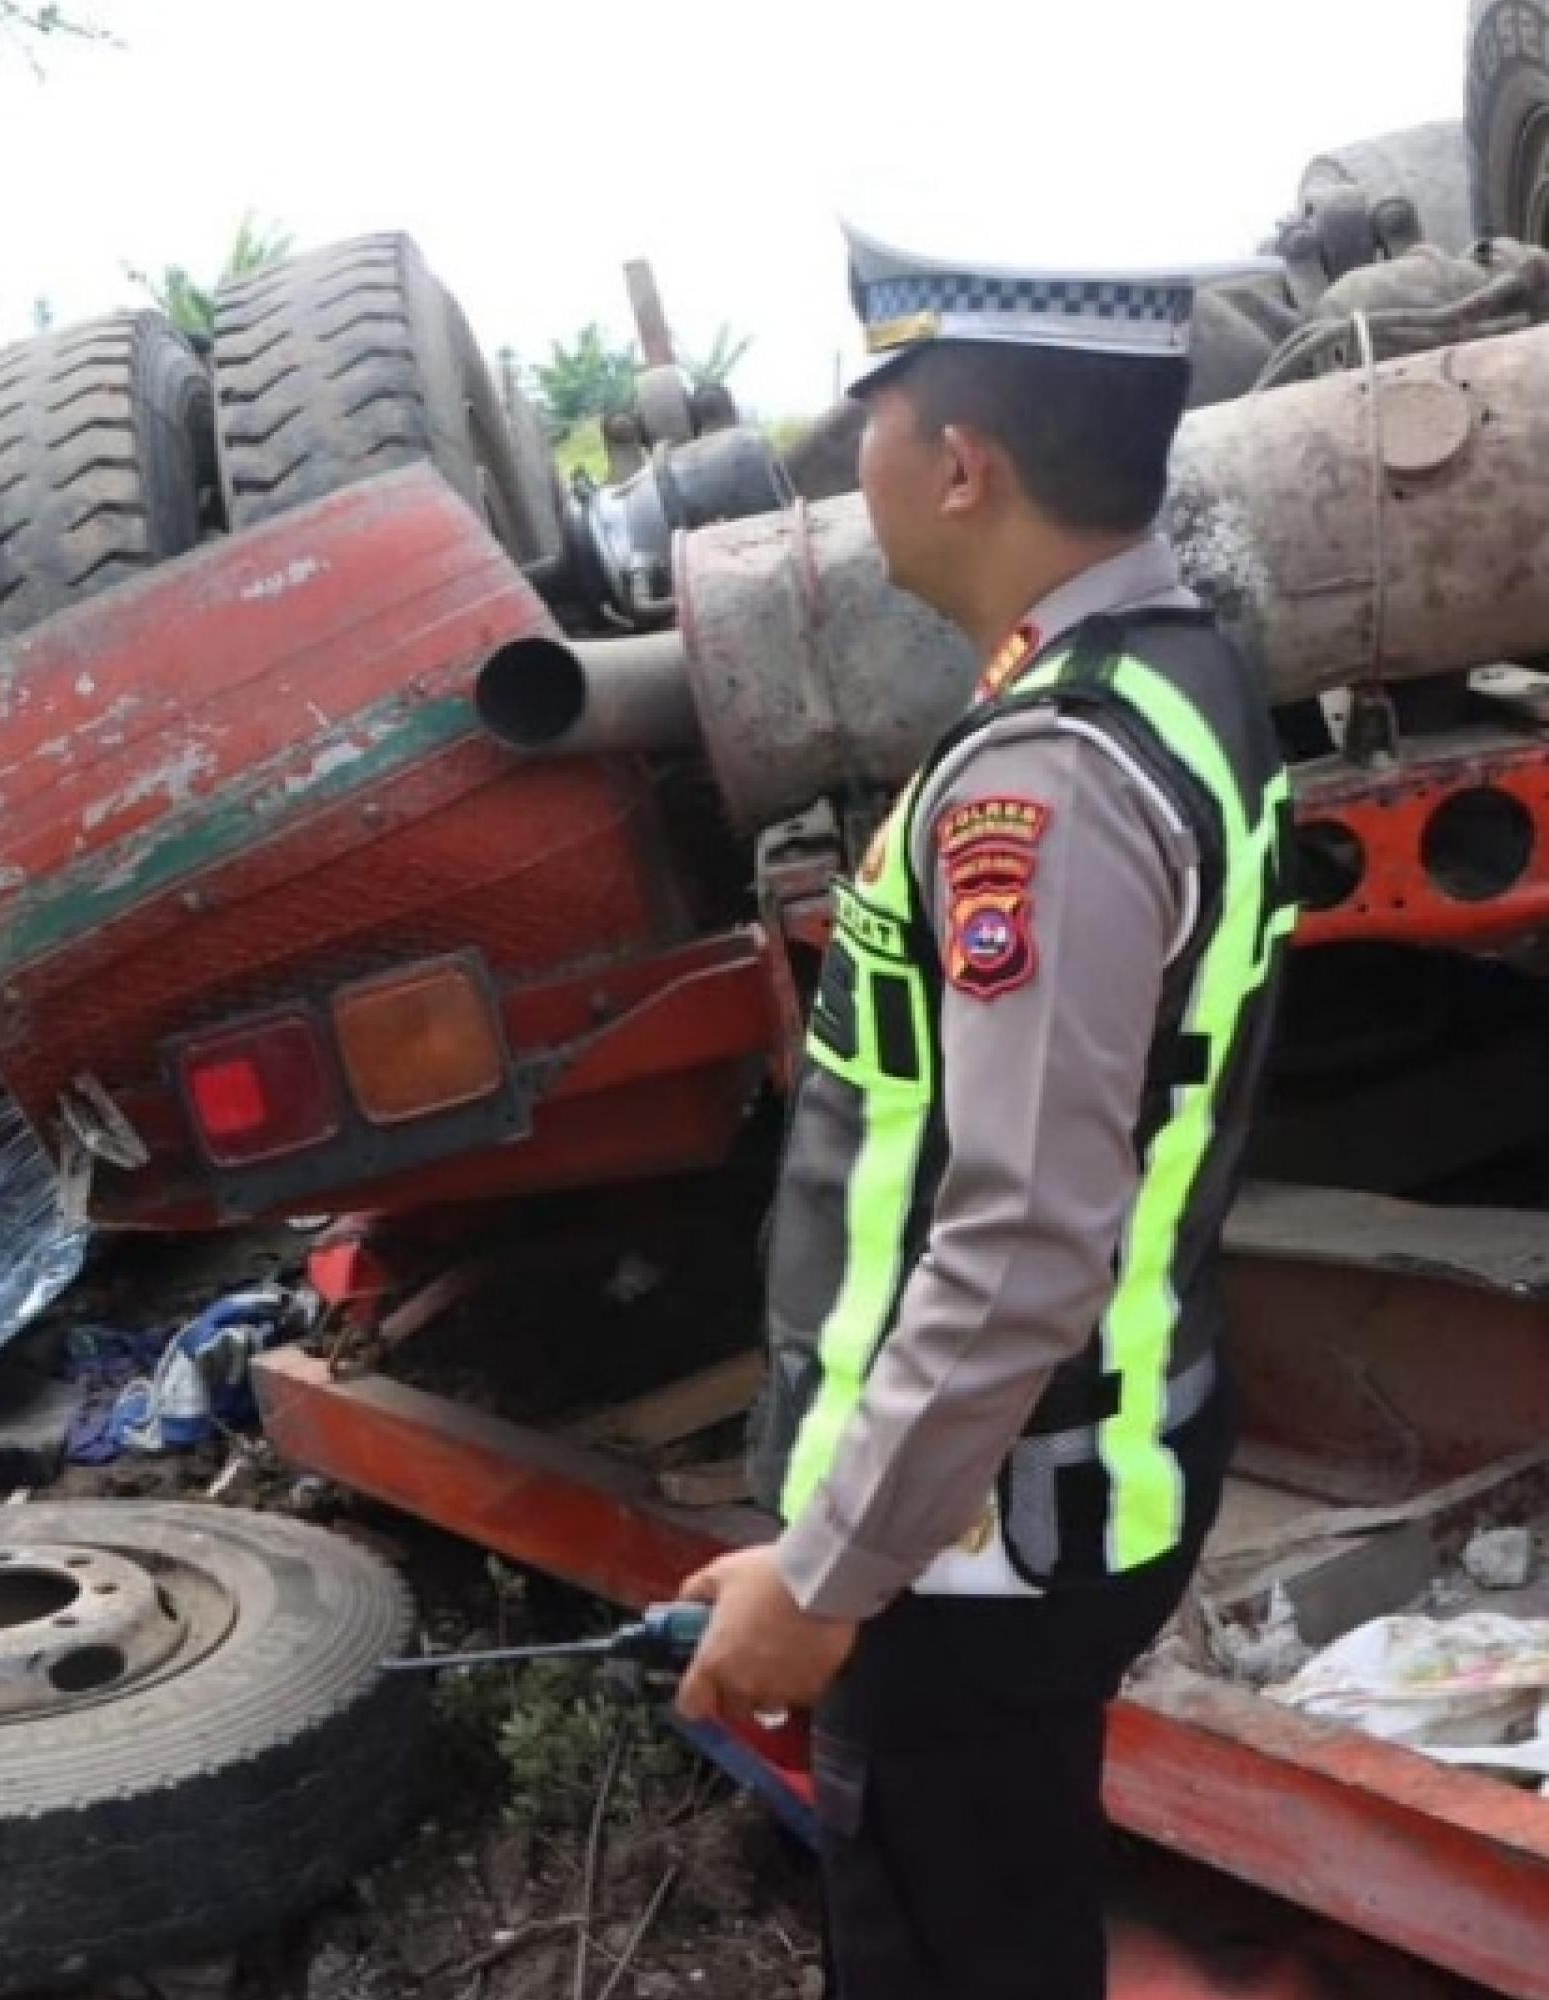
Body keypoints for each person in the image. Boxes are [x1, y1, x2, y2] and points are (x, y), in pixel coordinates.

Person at [677, 227, 1296, 2000]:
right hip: (1030, 1491)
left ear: (962, 465)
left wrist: (836, 1573)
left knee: (957, 1955)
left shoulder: (1048, 779)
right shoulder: (1176, 671)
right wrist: (825, 1539)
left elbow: (1024, 1237)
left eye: (872, 410)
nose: (850, 451)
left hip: (987, 1542)